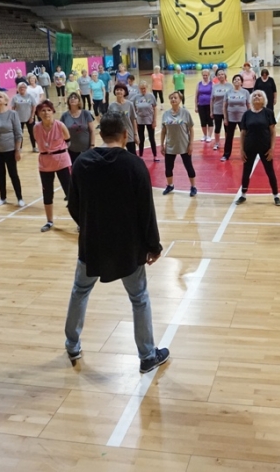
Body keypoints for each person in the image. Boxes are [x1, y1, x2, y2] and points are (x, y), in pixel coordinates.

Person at [64, 113, 169, 373]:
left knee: (80, 291)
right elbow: (146, 210)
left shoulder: (82, 163)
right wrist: (153, 245)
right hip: (128, 248)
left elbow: (74, 205)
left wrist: (89, 226)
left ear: (100, 134)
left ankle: (72, 345)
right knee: (139, 298)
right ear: (125, 134)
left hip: (92, 245)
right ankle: (147, 356)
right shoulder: (134, 165)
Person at [235, 90, 280, 206]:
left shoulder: (268, 113)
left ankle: (276, 196)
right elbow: (243, 133)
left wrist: (272, 148)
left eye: (259, 95)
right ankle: (243, 195)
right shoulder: (247, 114)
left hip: (265, 147)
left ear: (264, 99)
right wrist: (241, 149)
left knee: (270, 171)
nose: (256, 97)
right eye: (254, 95)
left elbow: (273, 132)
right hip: (249, 147)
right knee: (246, 171)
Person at [34, 100, 71, 232]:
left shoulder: (60, 125)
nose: (46, 113)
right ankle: (49, 221)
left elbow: (68, 140)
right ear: (38, 113)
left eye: (49, 110)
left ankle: (79, 220)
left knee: (70, 192)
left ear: (53, 112)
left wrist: (58, 150)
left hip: (62, 161)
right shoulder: (36, 128)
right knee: (47, 193)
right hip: (45, 163)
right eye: (43, 111)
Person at [0, 92, 24, 207]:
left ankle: (20, 198)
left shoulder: (12, 114)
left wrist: (17, 150)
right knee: (0, 174)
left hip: (10, 150)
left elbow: (18, 134)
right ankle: (2, 197)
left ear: (6, 101)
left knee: (13, 174)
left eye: (0, 97)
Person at [160, 92, 197, 197]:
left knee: (189, 166)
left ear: (180, 100)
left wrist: (191, 144)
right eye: (171, 98)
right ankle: (170, 185)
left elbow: (191, 129)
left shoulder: (185, 113)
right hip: (170, 146)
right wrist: (162, 144)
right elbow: (163, 131)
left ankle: (193, 187)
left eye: (175, 98)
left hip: (184, 145)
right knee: (168, 168)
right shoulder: (166, 114)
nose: (173, 99)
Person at [222, 74, 251, 162]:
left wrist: (249, 118)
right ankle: (226, 155)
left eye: (238, 79)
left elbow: (248, 106)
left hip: (243, 118)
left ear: (241, 82)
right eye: (235, 79)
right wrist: (225, 118)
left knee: (245, 136)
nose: (236, 81)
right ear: (233, 82)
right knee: (229, 137)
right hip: (231, 118)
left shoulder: (245, 92)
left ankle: (248, 154)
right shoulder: (228, 92)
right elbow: (224, 106)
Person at [61, 92, 95, 165]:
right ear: (68, 101)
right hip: (71, 150)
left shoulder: (86, 113)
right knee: (74, 169)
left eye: (75, 97)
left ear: (79, 101)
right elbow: (61, 133)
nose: (72, 99)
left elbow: (92, 131)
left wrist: (92, 145)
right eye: (71, 97)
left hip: (86, 149)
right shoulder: (64, 116)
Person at [107, 83, 139, 154]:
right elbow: (109, 122)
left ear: (125, 92)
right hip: (116, 136)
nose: (119, 91)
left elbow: (133, 120)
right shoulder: (111, 106)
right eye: (117, 90)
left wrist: (135, 135)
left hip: (129, 135)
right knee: (117, 156)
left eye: (121, 90)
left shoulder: (129, 104)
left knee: (132, 155)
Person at [12, 82, 38, 153]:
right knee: (19, 134)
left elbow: (34, 106)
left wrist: (32, 117)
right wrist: (14, 118)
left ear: (26, 88)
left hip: (29, 118)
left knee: (32, 133)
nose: (22, 89)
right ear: (18, 89)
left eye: (24, 87)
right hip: (18, 119)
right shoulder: (15, 97)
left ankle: (34, 147)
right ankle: (19, 148)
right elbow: (13, 108)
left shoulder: (30, 96)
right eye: (20, 87)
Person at [135, 82, 159, 160]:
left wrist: (154, 120)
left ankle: (155, 155)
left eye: (144, 88)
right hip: (140, 120)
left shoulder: (151, 96)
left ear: (147, 88)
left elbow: (155, 108)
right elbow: (134, 110)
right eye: (141, 88)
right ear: (139, 89)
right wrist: (135, 122)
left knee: (151, 138)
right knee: (141, 139)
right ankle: (140, 155)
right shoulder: (136, 97)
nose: (143, 90)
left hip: (149, 119)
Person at [211, 69, 230, 150]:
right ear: (217, 76)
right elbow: (212, 100)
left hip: (227, 110)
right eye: (219, 74)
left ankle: (227, 143)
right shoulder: (215, 86)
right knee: (217, 127)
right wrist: (211, 111)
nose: (221, 76)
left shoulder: (230, 86)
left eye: (222, 74)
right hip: (217, 110)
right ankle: (216, 143)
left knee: (227, 128)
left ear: (225, 75)